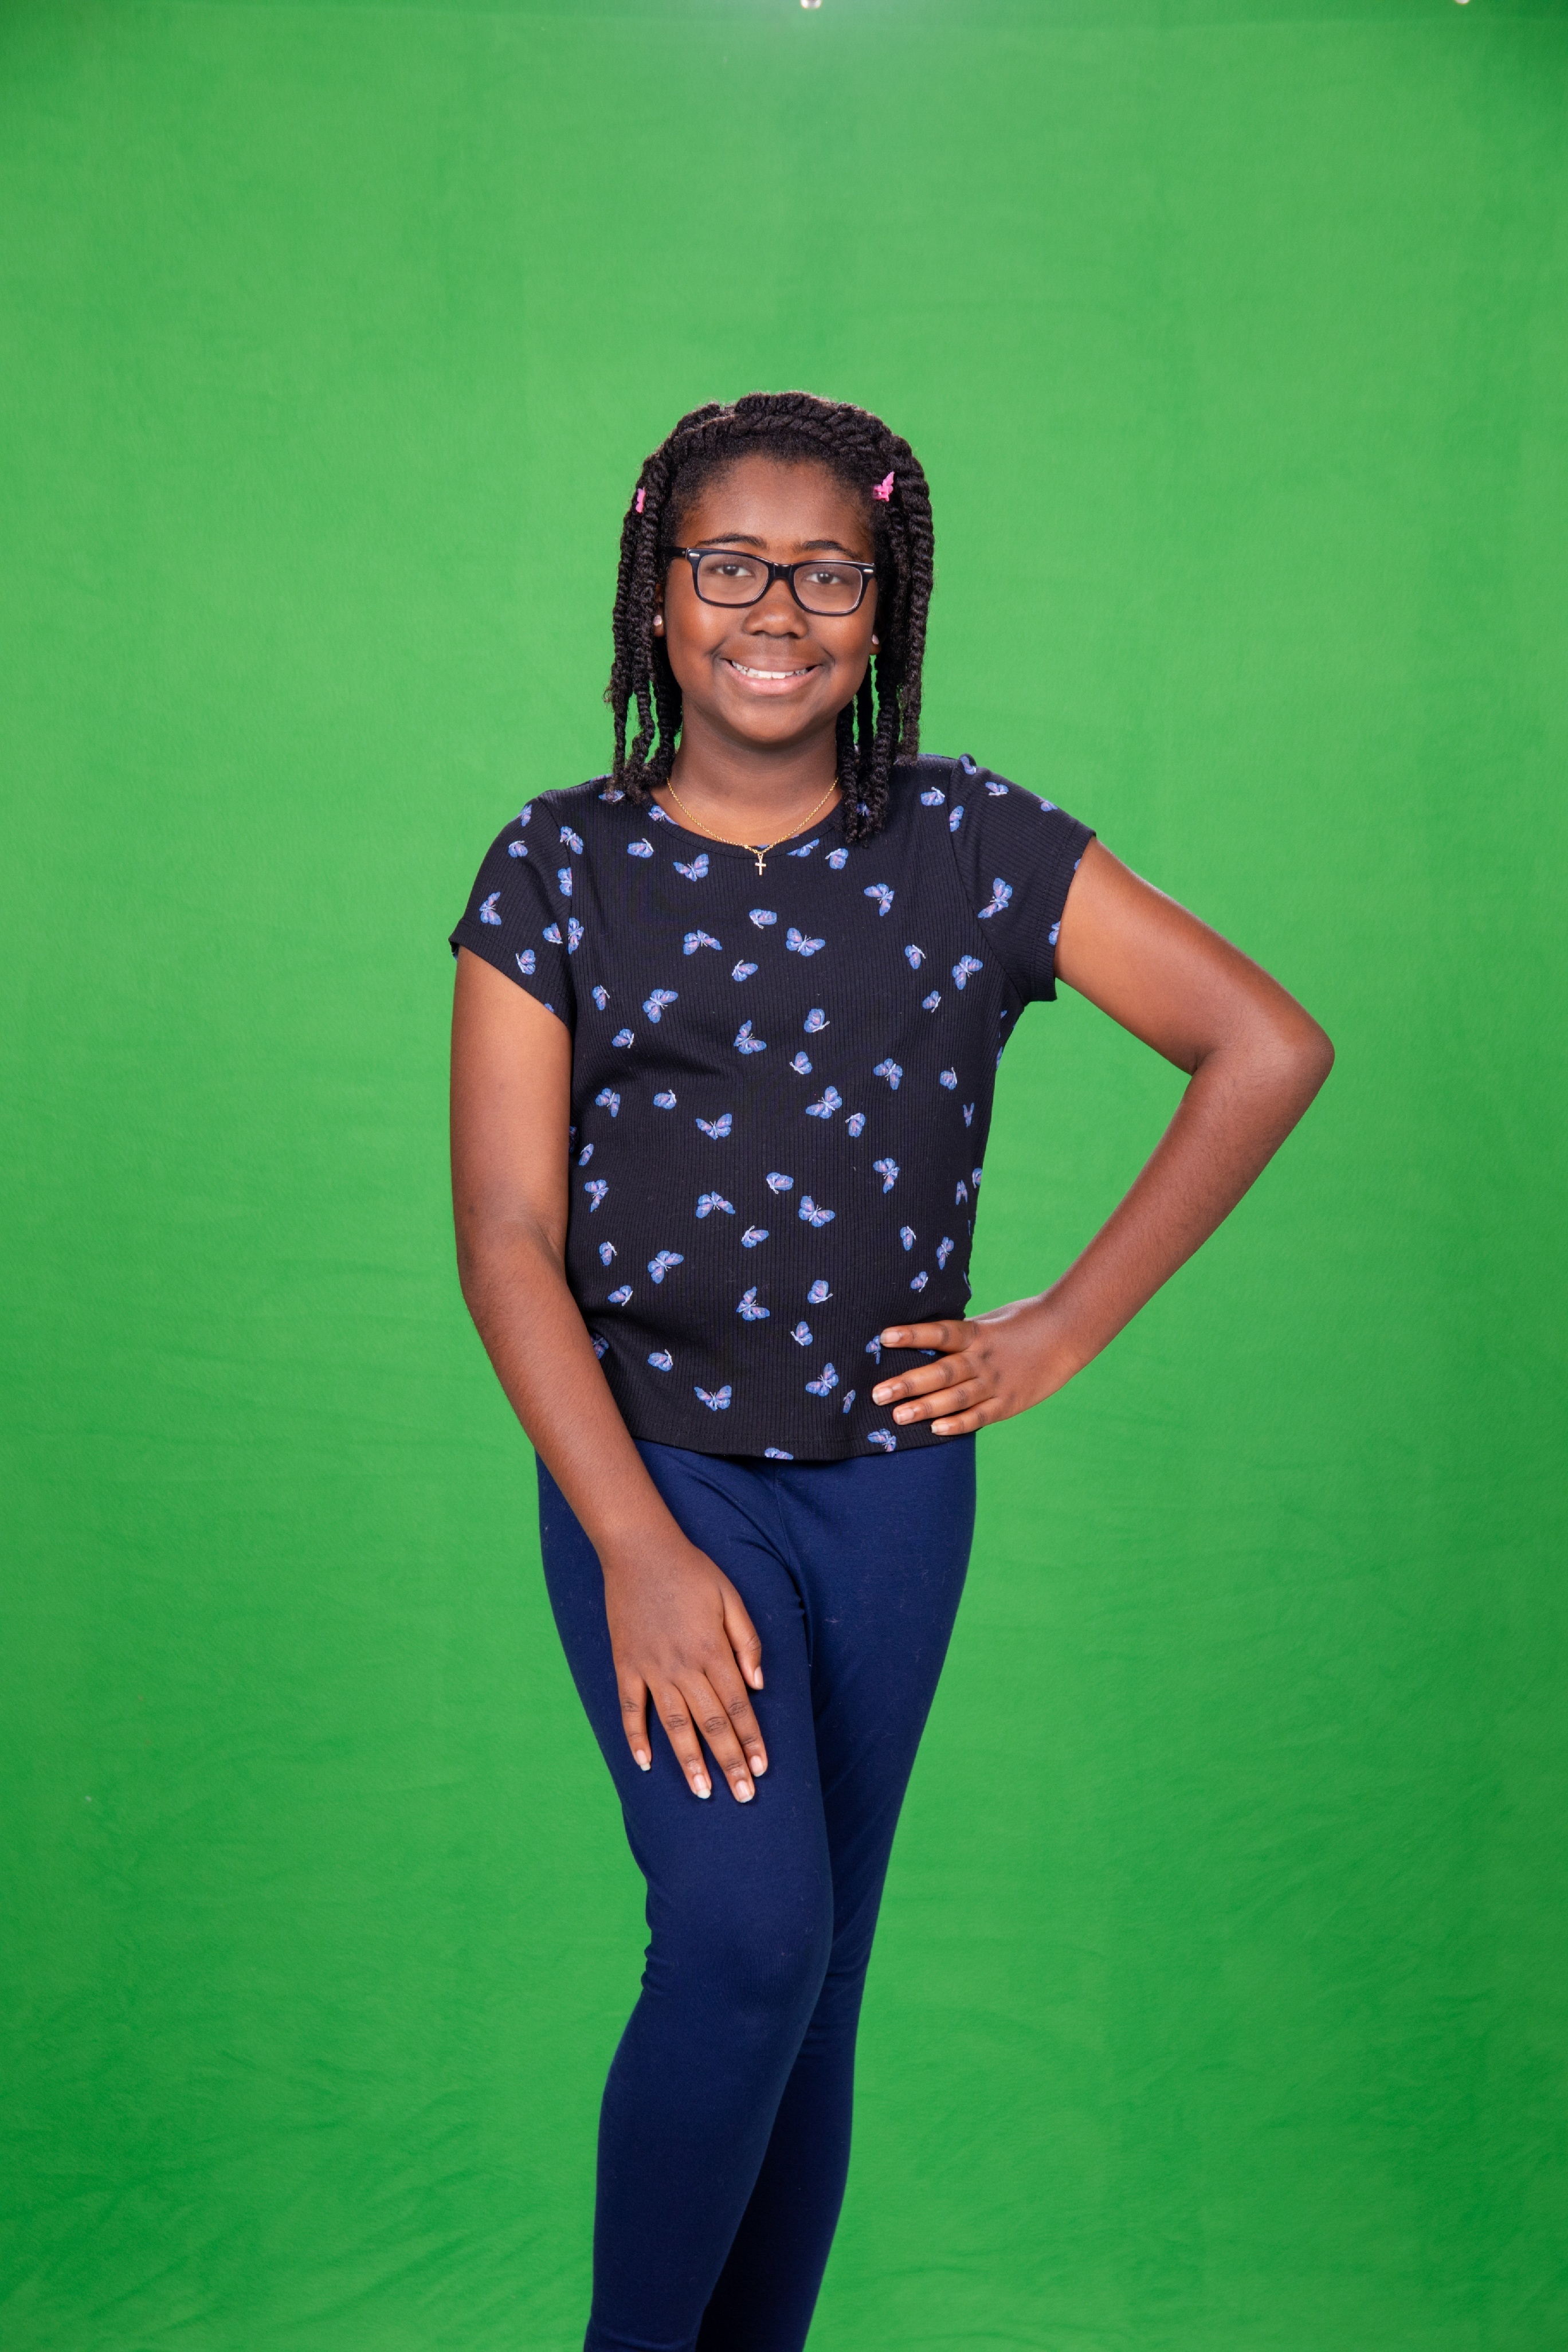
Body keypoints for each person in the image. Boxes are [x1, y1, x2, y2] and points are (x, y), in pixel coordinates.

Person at [448, 390, 1332, 2352]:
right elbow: (505, 1234)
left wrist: (1062, 1325)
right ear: (658, 593)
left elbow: (1265, 1044)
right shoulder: (558, 866)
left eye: (828, 575)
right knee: (744, 1938)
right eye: (730, 567)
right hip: (655, 1477)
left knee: (817, 1976)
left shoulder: (972, 845)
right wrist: (635, 1547)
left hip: (892, 1493)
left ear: (885, 605)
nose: (777, 611)